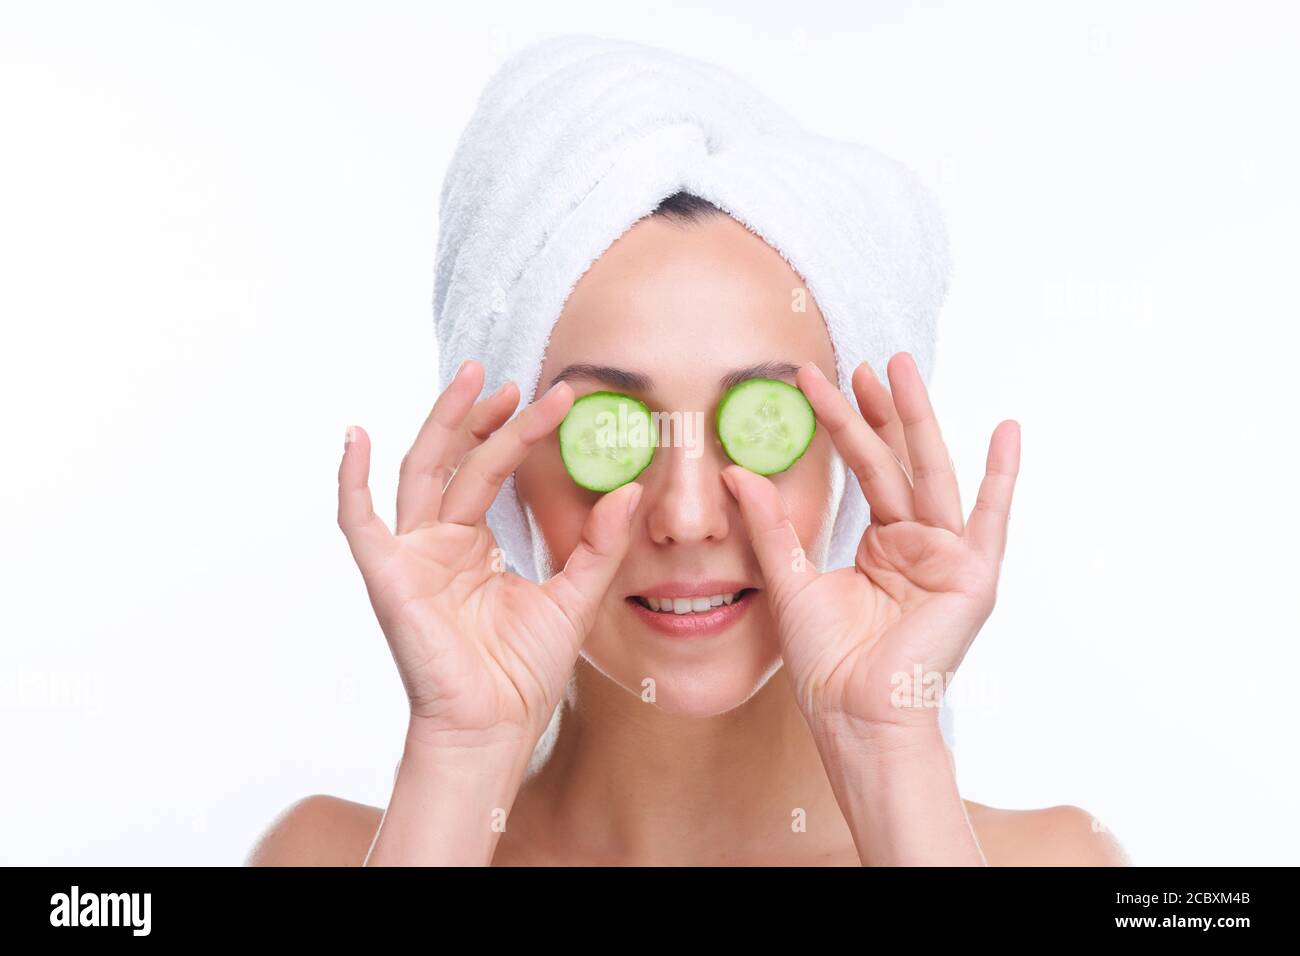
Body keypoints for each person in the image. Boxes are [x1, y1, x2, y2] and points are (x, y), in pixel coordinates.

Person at [247, 191, 1129, 866]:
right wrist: (459, 760)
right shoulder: (328, 855)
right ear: (504, 468)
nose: (689, 516)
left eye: (760, 426)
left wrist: (892, 755)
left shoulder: (1049, 860)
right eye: (610, 431)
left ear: (858, 461)